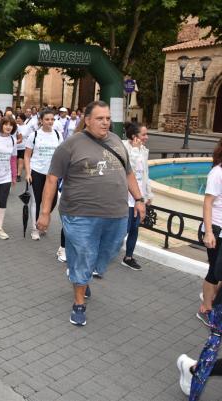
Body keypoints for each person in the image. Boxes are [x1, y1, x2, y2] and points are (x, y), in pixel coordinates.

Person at [37, 100, 145, 327]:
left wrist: (139, 199)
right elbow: (52, 179)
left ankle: (79, 273)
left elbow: (128, 174)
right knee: (85, 254)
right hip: (79, 214)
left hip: (116, 214)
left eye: (108, 118)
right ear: (87, 120)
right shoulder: (70, 145)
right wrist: (45, 213)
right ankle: (78, 302)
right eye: (100, 118)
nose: (106, 122)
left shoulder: (116, 142)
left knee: (110, 250)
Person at [177, 140, 222, 397]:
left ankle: (212, 305)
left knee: (217, 273)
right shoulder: (218, 172)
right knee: (214, 272)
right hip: (215, 229)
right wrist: (208, 232)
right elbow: (207, 202)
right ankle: (207, 306)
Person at [24, 109, 63, 241]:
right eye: (47, 119)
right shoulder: (34, 135)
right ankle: (35, 228)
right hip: (36, 172)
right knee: (36, 201)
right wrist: (28, 173)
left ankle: (43, 220)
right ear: (41, 120)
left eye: (52, 119)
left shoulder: (58, 135)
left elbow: (61, 155)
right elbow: (27, 155)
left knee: (51, 203)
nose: (50, 122)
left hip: (52, 174)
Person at [121, 122, 153, 271]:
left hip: (138, 197)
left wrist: (148, 194)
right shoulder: (124, 147)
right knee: (123, 229)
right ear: (134, 137)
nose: (146, 137)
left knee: (134, 228)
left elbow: (145, 173)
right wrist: (133, 150)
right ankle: (103, 252)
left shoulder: (144, 150)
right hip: (125, 197)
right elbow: (129, 171)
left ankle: (128, 257)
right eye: (144, 134)